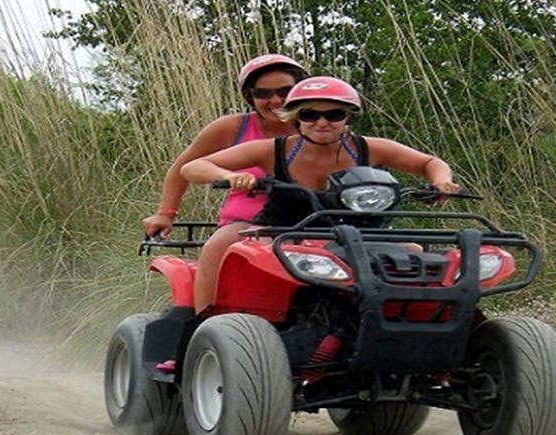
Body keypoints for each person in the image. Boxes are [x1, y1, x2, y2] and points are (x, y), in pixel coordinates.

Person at [180, 76, 461, 312]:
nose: (322, 122)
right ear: (296, 119)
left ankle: (416, 322)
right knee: (221, 242)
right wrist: (229, 176)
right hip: (279, 229)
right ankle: (204, 323)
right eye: (309, 115)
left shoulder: (368, 147)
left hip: (359, 234)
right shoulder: (274, 150)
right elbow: (193, 167)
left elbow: (429, 162)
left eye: (334, 114)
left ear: (348, 117)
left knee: (414, 254)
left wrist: (442, 182)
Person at [141, 54, 309, 237]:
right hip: (244, 225)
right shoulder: (232, 127)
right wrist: (165, 214)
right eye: (262, 93)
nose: (275, 100)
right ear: (250, 97)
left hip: (315, 223)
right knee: (221, 243)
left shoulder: (320, 127)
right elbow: (183, 168)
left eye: (285, 91)